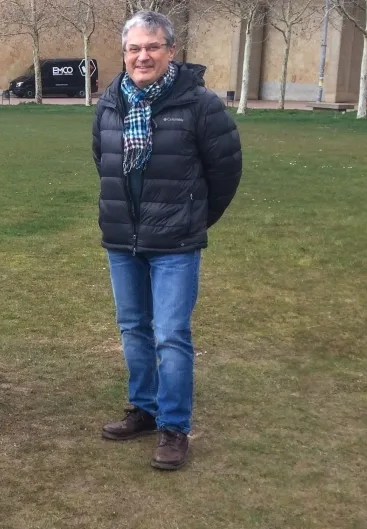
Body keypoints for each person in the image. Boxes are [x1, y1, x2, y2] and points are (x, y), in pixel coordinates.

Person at [92, 11, 242, 470]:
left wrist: (193, 218)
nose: (143, 56)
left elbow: (226, 171)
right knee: (133, 328)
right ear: (124, 53)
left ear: (171, 52)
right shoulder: (110, 102)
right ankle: (143, 407)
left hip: (176, 242)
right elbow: (103, 159)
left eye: (152, 47)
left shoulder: (200, 104)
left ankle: (174, 427)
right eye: (134, 48)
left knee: (171, 334)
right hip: (123, 239)